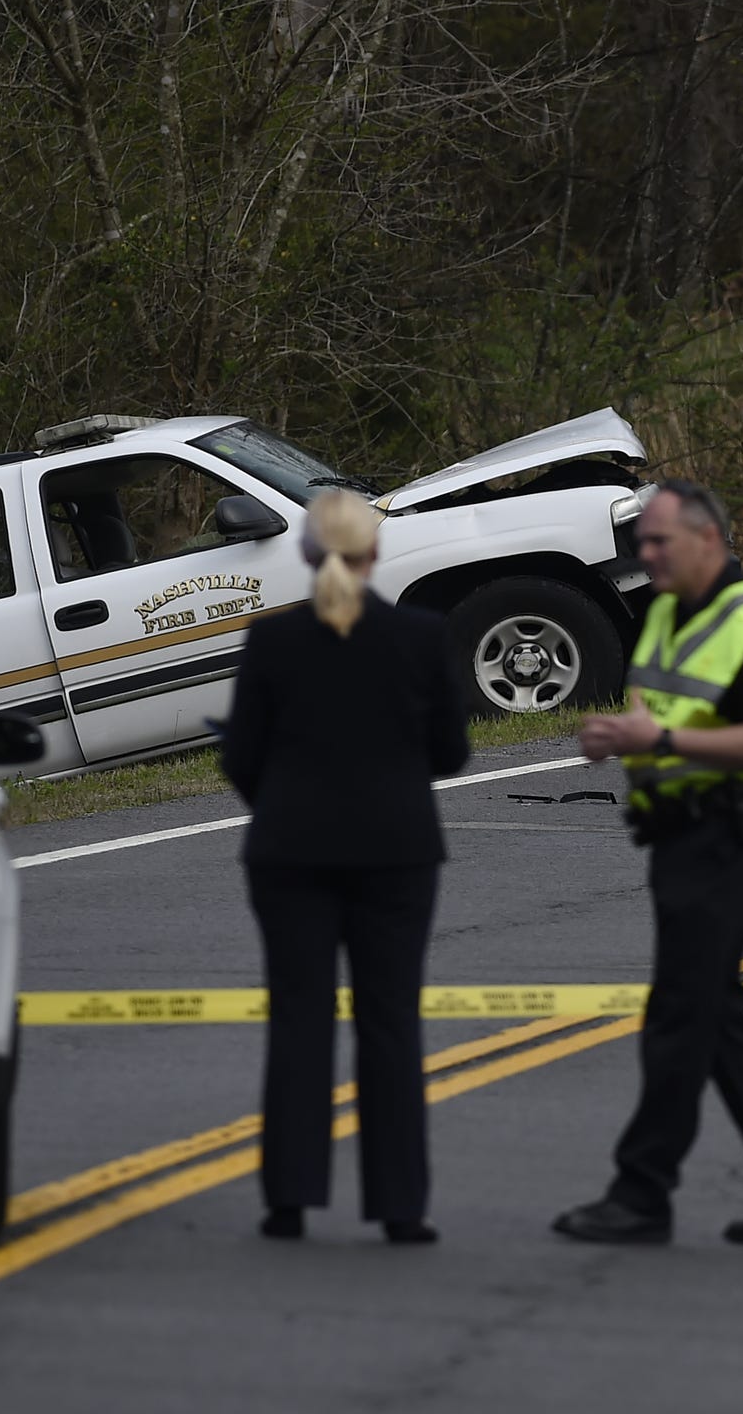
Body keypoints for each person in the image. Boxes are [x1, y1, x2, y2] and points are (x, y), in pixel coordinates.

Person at [553, 480, 743, 1248]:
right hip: (675, 834)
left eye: (659, 542)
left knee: (680, 1019)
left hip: (729, 834)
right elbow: (669, 710)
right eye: (641, 544)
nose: (646, 555)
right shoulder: (666, 612)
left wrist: (655, 743)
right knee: (713, 1018)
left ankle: (641, 1191)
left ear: (709, 541)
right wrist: (625, 733)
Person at [219, 488, 469, 1245]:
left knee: (300, 1020)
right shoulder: (422, 637)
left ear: (303, 553)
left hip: (291, 849)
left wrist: (285, 803)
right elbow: (451, 752)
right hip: (395, 850)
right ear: (376, 551)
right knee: (390, 1022)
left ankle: (289, 1197)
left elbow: (241, 757)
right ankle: (400, 1205)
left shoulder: (271, 641)